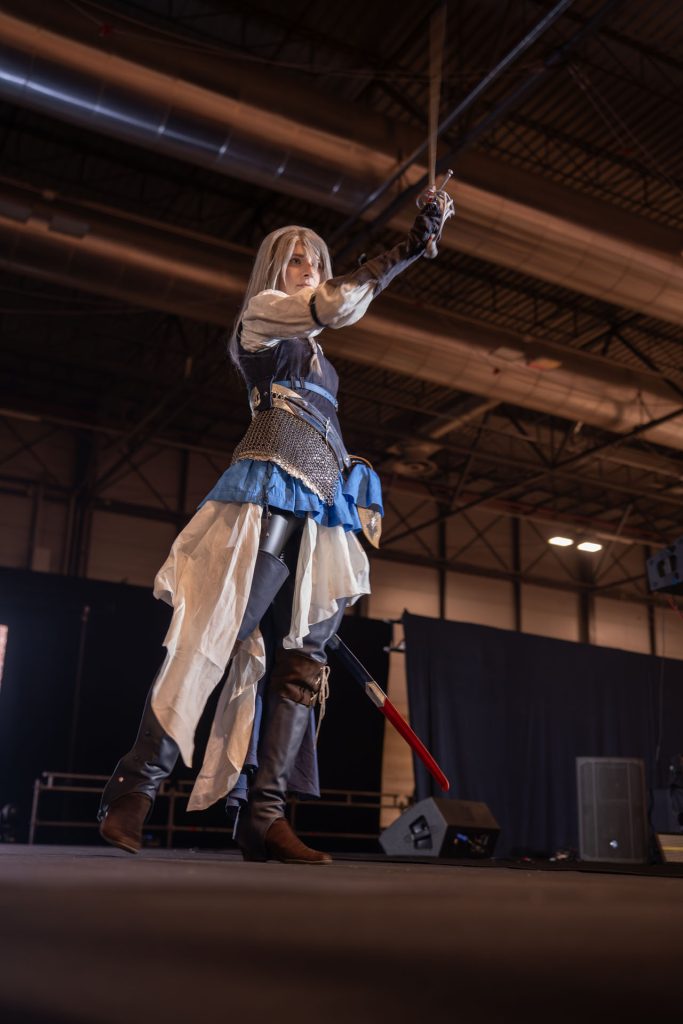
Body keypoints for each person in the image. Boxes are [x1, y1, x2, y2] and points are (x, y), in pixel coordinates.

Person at [98, 199, 446, 863]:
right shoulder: (263, 317)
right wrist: (404, 250)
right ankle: (133, 789)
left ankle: (264, 817)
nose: (309, 268)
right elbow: (335, 305)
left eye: (315, 260)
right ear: (273, 270)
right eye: (296, 259)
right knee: (219, 630)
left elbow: (335, 317)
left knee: (304, 664)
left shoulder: (318, 354)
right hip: (269, 488)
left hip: (324, 506)